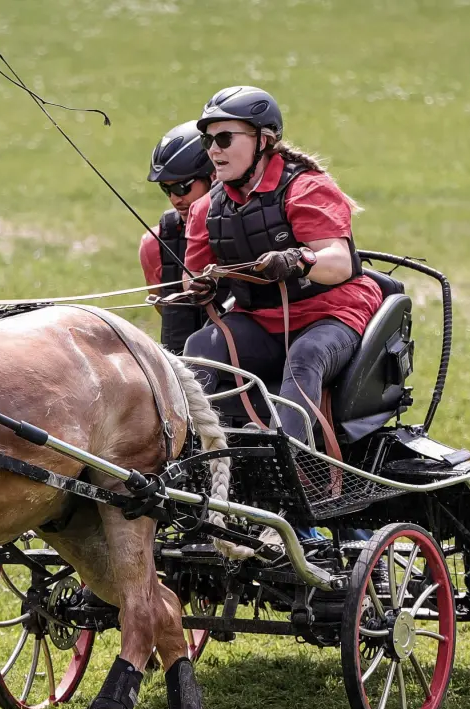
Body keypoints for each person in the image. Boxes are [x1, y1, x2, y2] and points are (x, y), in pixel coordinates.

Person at [179, 86, 383, 446]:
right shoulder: (205, 209)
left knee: (304, 357)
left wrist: (299, 261)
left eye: (225, 138)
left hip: (332, 315)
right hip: (260, 321)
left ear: (264, 140)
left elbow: (339, 262)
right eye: (207, 140)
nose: (213, 149)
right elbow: (192, 277)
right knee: (199, 348)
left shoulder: (306, 189)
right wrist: (200, 286)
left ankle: (296, 465)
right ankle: (191, 452)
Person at [139, 121, 214, 355]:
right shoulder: (154, 243)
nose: (174, 198)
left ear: (213, 175)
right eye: (166, 189)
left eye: (182, 187)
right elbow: (163, 307)